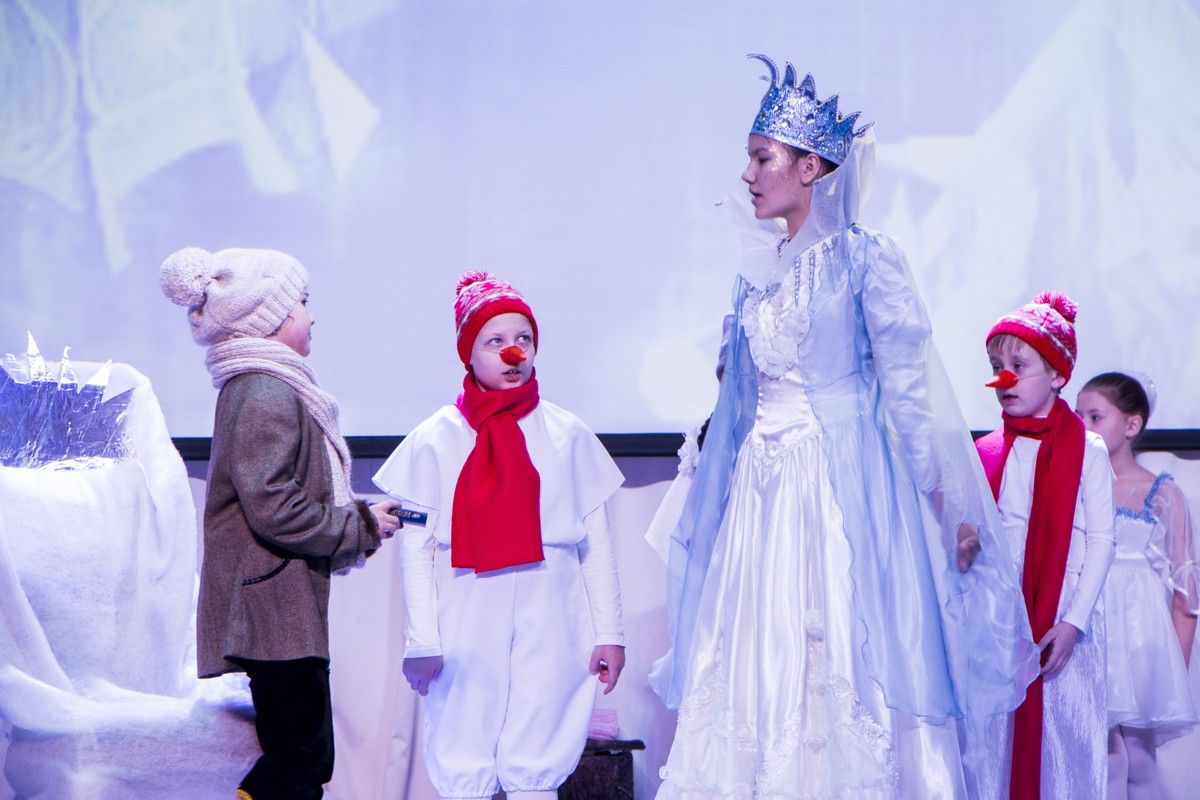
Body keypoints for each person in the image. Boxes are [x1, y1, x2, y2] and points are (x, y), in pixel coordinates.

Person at [654, 55, 1036, 799]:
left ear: (809, 168)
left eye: (762, 158)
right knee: (753, 655)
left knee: (837, 645)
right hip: (759, 498)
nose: (748, 175)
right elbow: (737, 402)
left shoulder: (864, 259)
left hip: (833, 489)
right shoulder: (755, 272)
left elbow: (907, 391)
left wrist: (943, 507)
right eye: (749, 159)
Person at [159, 246, 401, 800]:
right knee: (299, 757)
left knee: (302, 757)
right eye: (303, 302)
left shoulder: (265, 387)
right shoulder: (264, 391)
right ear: (269, 317)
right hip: (271, 612)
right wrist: (359, 525)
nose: (312, 316)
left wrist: (361, 521)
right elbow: (274, 508)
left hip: (279, 608)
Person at [373, 271, 626, 800]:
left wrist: (610, 631)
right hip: (467, 597)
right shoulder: (436, 437)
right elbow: (416, 548)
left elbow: (595, 544)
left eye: (524, 339)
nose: (514, 353)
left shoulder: (567, 433)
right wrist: (422, 640)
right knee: (464, 727)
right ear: (468, 354)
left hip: (553, 598)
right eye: (496, 341)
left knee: (542, 725)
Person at [976, 292, 1116, 798]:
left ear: (1057, 375)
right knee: (996, 750)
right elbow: (982, 536)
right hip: (1001, 622)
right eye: (996, 367)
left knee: (1063, 753)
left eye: (1019, 366)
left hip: (1063, 622)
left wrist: (1072, 622)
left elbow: (1102, 540)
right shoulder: (987, 451)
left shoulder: (1088, 449)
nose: (1004, 379)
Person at [1075, 372, 1198, 799]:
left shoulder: (1161, 493)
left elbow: (1186, 594)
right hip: (1090, 634)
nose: (1083, 427)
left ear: (1131, 425)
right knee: (1103, 756)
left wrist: (1175, 668)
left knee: (1140, 759)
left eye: (1095, 417)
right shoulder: (1073, 488)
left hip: (1139, 641)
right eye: (1077, 416)